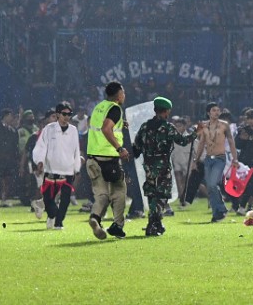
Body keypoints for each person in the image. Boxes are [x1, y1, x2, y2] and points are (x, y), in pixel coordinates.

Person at [133, 97, 202, 236]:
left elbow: (136, 148)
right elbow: (182, 141)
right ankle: (152, 224)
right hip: (163, 166)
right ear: (166, 111)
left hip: (148, 166)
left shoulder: (145, 126)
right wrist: (196, 132)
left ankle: (157, 223)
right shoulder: (168, 127)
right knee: (162, 195)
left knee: (152, 195)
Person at [86, 81, 130, 240]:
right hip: (108, 158)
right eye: (123, 92)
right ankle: (118, 225)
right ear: (118, 95)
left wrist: (120, 123)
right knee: (119, 191)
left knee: (102, 194)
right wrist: (120, 148)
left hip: (92, 158)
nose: (124, 95)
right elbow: (106, 128)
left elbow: (100, 125)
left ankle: (95, 218)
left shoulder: (99, 107)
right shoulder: (116, 108)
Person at [32, 102, 81, 229]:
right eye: (64, 114)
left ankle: (59, 223)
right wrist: (40, 161)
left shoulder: (74, 130)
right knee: (48, 199)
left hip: (68, 169)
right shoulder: (49, 129)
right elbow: (41, 146)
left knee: (65, 199)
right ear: (58, 114)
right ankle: (52, 215)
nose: (67, 117)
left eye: (69, 114)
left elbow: (76, 149)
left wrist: (77, 167)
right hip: (51, 169)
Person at [193, 102, 238, 223]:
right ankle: (216, 213)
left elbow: (231, 142)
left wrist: (235, 159)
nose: (217, 112)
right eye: (214, 110)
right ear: (208, 113)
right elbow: (201, 143)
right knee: (210, 187)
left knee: (212, 184)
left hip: (220, 158)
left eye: (218, 110)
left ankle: (221, 208)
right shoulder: (203, 125)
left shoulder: (225, 125)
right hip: (208, 158)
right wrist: (196, 160)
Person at [232, 108, 253, 216]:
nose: (250, 121)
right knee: (247, 185)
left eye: (252, 118)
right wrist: (242, 139)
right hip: (245, 162)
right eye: (248, 119)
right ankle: (245, 207)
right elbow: (237, 145)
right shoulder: (243, 130)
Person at [0, 109, 19, 207]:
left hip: (9, 159)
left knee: (7, 179)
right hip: (0, 158)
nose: (12, 118)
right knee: (1, 179)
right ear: (6, 116)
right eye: (11, 115)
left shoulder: (13, 130)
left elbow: (15, 146)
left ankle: (4, 199)